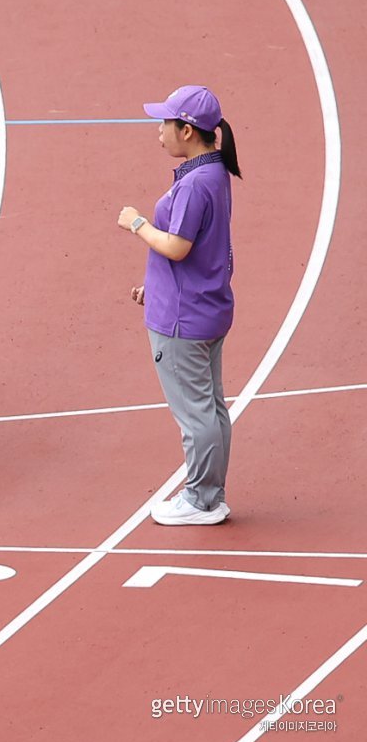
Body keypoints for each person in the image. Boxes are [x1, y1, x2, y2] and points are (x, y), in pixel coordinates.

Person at [118, 85, 241, 526]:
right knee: (211, 406)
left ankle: (201, 498)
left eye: (165, 124)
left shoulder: (194, 184)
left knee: (195, 414)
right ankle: (211, 493)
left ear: (187, 130)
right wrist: (154, 284)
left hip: (182, 321)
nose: (159, 132)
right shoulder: (215, 175)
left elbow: (177, 246)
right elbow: (201, 249)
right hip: (204, 307)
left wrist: (136, 224)